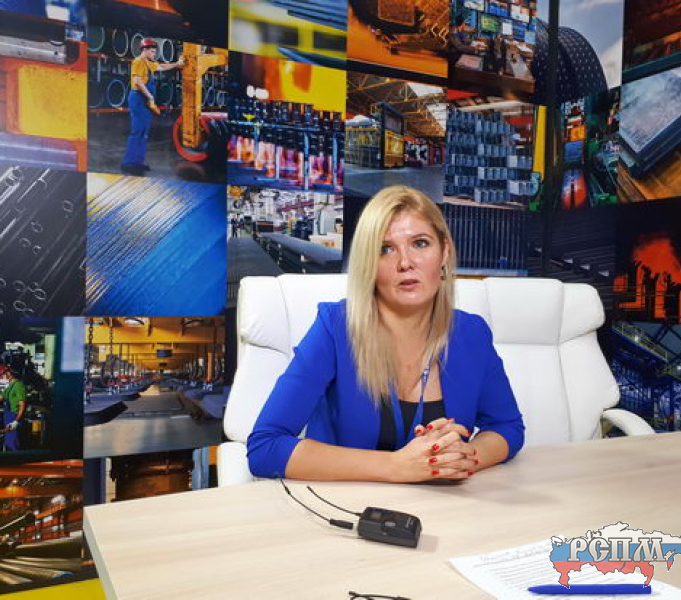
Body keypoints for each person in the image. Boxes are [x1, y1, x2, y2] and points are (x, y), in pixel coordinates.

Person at [248, 186, 524, 482]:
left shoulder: (471, 334)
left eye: (420, 243)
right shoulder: (335, 328)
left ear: (444, 252)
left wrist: (461, 458)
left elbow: (506, 428)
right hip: (348, 504)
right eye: (385, 249)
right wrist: (396, 466)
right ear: (369, 263)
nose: (405, 262)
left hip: (446, 504)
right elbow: (265, 448)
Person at [121, 38, 184, 176]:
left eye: (155, 52)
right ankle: (128, 163)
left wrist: (177, 64)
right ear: (144, 50)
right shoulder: (138, 61)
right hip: (138, 99)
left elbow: (162, 67)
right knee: (137, 131)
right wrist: (150, 97)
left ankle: (138, 162)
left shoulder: (149, 63)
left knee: (144, 132)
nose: (154, 54)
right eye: (152, 51)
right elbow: (138, 82)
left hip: (145, 101)